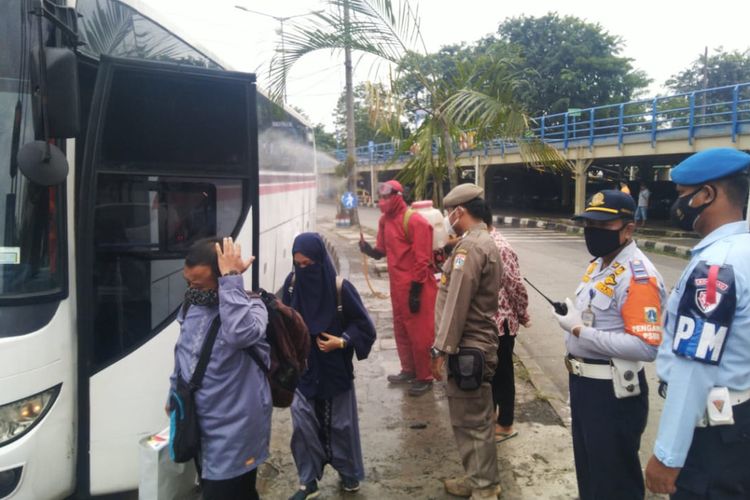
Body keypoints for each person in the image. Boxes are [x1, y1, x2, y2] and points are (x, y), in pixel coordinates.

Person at [644, 148, 750, 498]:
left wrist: (667, 455)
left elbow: (694, 366)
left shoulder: (716, 266)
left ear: (706, 195)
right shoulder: (744, 251)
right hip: (739, 421)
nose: (677, 206)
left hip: (710, 437)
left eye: (681, 196)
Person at [553, 190, 666, 500]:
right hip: (585, 386)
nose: (593, 232)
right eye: (589, 224)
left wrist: (578, 330)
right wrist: (573, 317)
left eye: (603, 226)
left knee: (614, 484)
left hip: (613, 394)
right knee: (590, 476)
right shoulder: (601, 264)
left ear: (628, 229)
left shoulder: (637, 276)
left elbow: (646, 346)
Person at [168, 237, 270, 500]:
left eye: (197, 283)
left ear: (222, 279)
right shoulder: (193, 303)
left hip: (236, 433)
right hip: (201, 427)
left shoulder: (253, 307)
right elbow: (183, 351)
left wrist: (233, 279)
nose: (191, 288)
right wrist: (173, 393)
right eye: (187, 282)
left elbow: (240, 334)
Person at [283, 233, 377, 500]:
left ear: (320, 261)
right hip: (303, 370)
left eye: (308, 264)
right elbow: (283, 322)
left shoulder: (340, 288)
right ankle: (308, 481)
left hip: (334, 371)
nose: (303, 270)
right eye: (298, 264)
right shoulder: (291, 286)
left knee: (341, 427)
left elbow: (364, 326)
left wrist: (343, 341)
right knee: (302, 426)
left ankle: (347, 471)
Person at [430, 184, 504, 499]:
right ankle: (478, 478)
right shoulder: (480, 242)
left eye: (450, 212)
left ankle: (485, 488)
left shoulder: (470, 249)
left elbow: (457, 302)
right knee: (470, 418)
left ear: (460, 211)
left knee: (472, 421)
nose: (449, 218)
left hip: (467, 347)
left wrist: (440, 349)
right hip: (475, 345)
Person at [359, 179, 438, 396]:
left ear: (398, 197)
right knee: (401, 328)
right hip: (396, 286)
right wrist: (368, 250)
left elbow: (423, 259)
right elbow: (381, 251)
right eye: (381, 198)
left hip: (417, 285)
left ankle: (425, 376)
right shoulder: (385, 221)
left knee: (420, 333)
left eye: (386, 197)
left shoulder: (414, 221)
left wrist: (415, 291)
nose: (382, 202)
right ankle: (409, 370)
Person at [483, 212, 531, 443]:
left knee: (503, 374)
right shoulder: (482, 243)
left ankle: (506, 423)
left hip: (501, 323)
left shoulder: (501, 247)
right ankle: (492, 416)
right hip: (488, 323)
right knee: (491, 374)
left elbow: (515, 286)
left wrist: (522, 313)